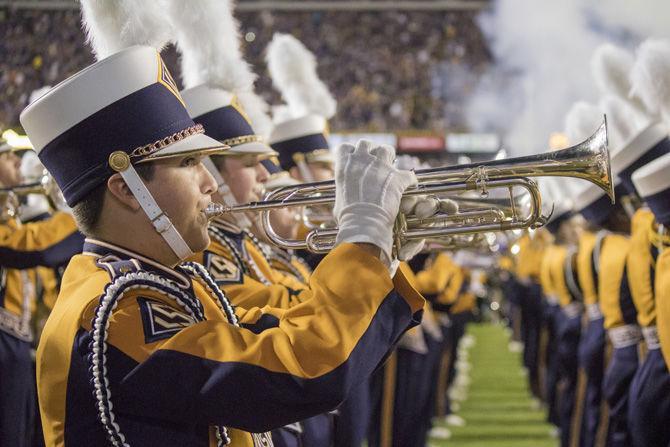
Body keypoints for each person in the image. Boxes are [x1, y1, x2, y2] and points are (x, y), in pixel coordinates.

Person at [21, 46, 427, 447]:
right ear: (126, 189)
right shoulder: (114, 313)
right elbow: (294, 370)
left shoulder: (159, 286)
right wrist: (361, 235)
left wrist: (381, 253)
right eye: (187, 164)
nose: (209, 183)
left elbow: (281, 327)